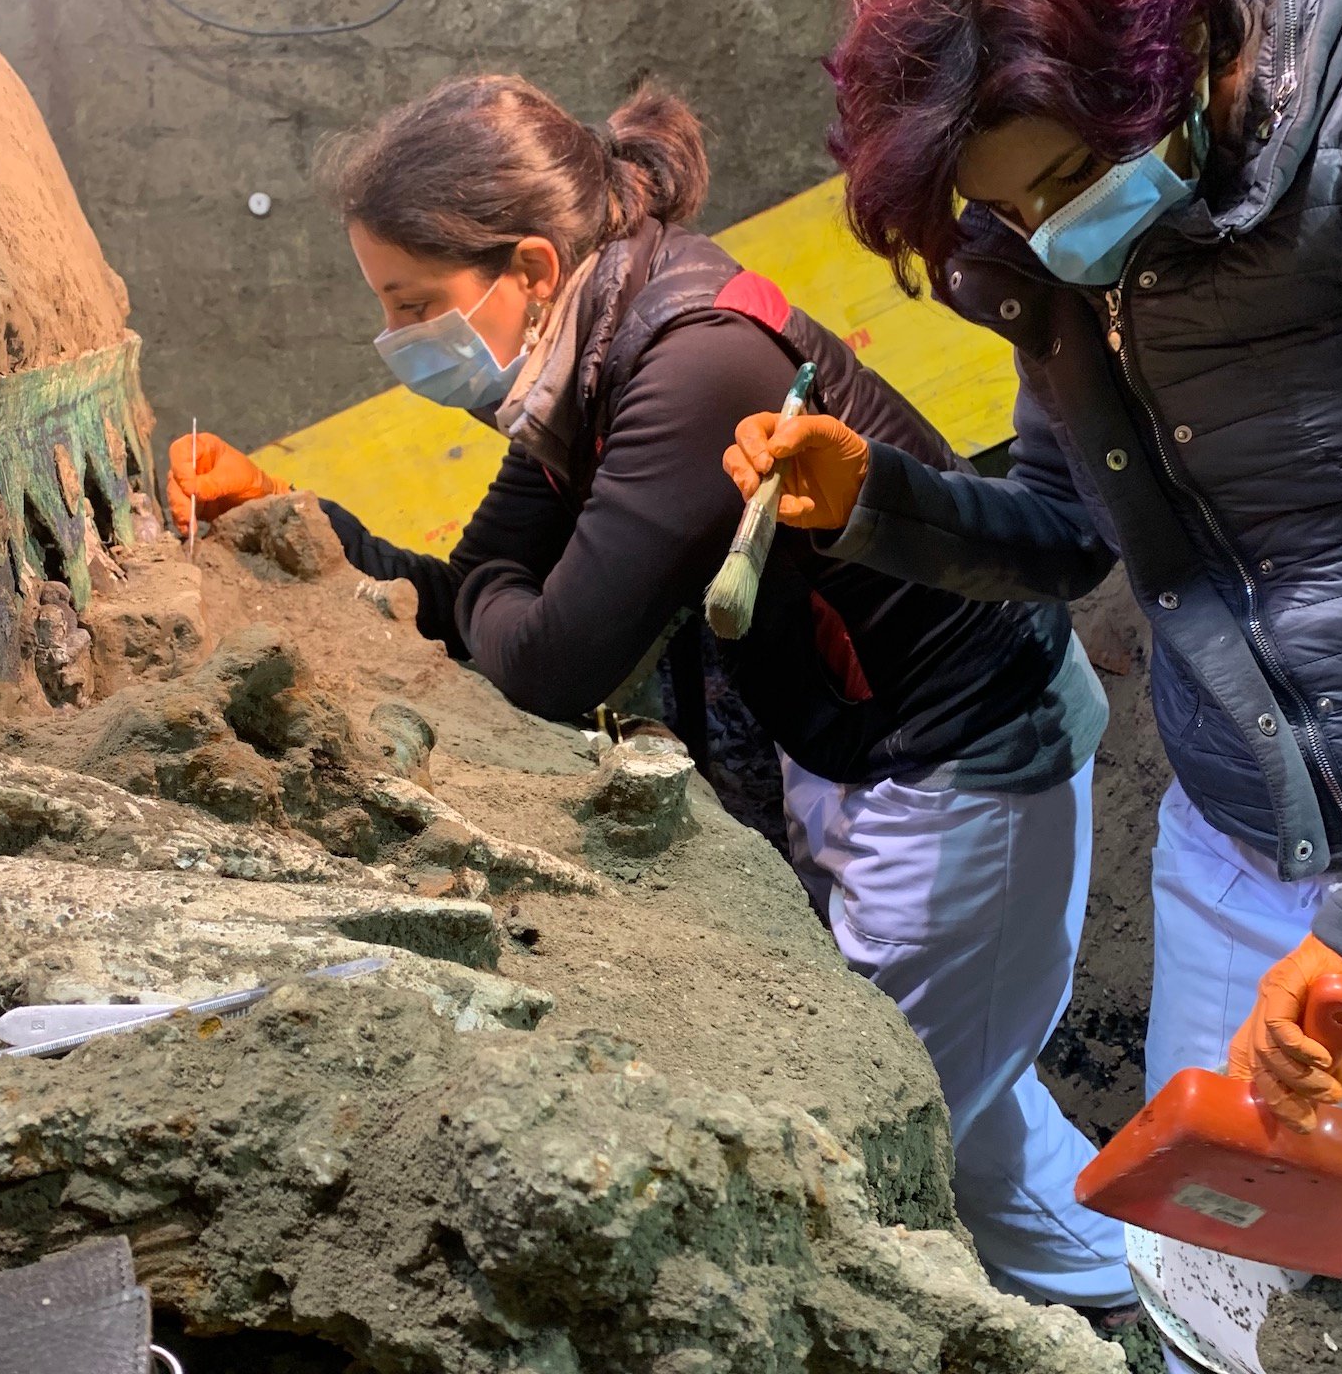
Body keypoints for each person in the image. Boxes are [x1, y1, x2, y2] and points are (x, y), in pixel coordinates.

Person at [167, 74, 1137, 1318]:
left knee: (877, 1125)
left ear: (525, 262)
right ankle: (1111, 1284)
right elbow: (477, 601)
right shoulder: (586, 359)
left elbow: (545, 668)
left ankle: (1079, 1311)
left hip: (958, 764)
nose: (404, 340)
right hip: (844, 743)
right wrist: (291, 514)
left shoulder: (688, 364)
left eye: (417, 305)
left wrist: (513, 599)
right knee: (955, 1085)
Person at [722, 0, 1342, 1192]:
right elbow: (1068, 539)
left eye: (1075, 180)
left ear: (1188, 38)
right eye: (1004, 209)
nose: (1045, 234)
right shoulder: (1064, 267)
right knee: (1208, 1254)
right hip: (1244, 829)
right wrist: (876, 505)